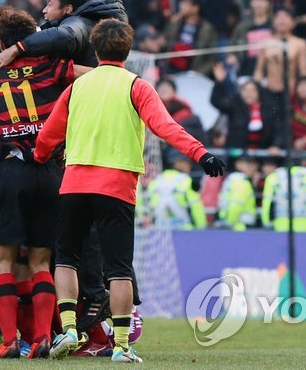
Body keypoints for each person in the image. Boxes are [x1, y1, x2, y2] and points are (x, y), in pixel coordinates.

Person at [33, 19, 225, 363]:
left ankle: (70, 329)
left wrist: (39, 155)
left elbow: (47, 135)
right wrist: (202, 154)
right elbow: (166, 127)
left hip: (74, 184)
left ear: (95, 49)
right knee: (118, 268)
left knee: (66, 258)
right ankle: (121, 345)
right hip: (116, 188)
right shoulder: (136, 85)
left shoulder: (78, 86)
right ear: (128, 51)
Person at [0, 9, 79, 359]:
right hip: (49, 171)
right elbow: (93, 75)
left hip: (12, 171)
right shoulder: (51, 66)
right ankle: (43, 337)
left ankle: (10, 341)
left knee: (4, 260)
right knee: (41, 262)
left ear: (1, 42)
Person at [0, 0, 127, 70]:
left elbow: (65, 36)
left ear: (67, 9)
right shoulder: (90, 20)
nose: (44, 10)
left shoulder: (80, 24)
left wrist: (17, 48)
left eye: (50, 4)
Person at [260, 163, 306, 232]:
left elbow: (267, 202)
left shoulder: (273, 177)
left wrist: (266, 221)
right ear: (304, 162)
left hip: (281, 223)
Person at [216, 156, 260, 231]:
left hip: (231, 223)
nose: (253, 168)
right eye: (250, 165)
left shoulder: (233, 179)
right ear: (238, 164)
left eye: (254, 166)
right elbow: (236, 205)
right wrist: (230, 223)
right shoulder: (241, 182)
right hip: (240, 226)